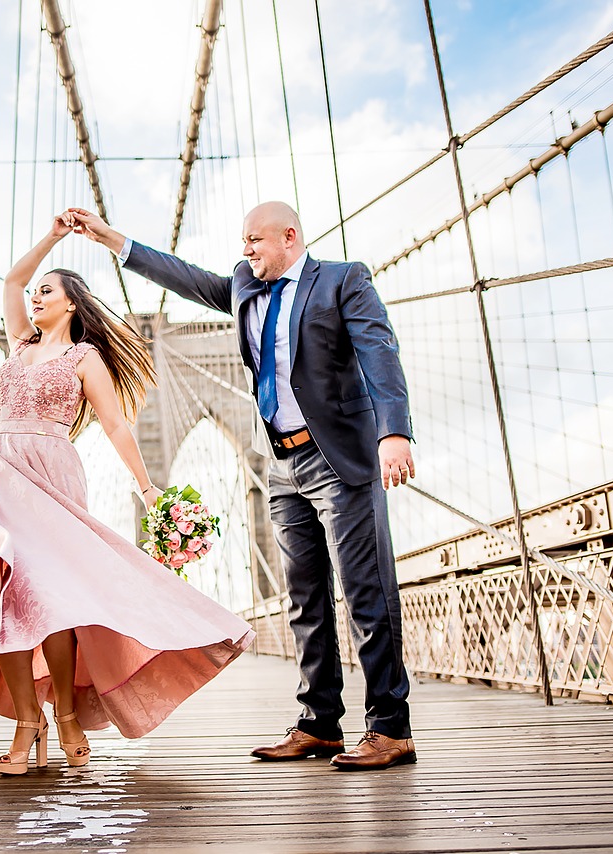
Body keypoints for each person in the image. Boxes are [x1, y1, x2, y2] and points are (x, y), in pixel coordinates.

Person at [0, 213, 254, 776]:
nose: (33, 297)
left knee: (48, 598)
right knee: (4, 594)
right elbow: (10, 282)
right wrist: (53, 238)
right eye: (35, 293)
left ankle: (65, 717)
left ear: (72, 303)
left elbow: (116, 426)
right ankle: (27, 720)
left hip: (52, 474)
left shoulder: (85, 359)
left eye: (46, 291)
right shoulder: (19, 342)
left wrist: (148, 488)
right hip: (0, 473)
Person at [68, 201, 417, 771]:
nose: (246, 250)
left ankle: (390, 728)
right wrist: (112, 239)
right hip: (280, 464)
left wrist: (393, 433)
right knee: (305, 599)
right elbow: (184, 277)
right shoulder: (243, 287)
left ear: (289, 236)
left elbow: (380, 355)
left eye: (255, 240)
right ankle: (319, 723)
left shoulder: (343, 280)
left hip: (339, 458)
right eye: (242, 241)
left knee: (364, 592)